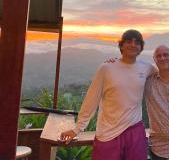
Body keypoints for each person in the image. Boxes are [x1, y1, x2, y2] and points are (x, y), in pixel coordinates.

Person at [60, 29, 155, 160]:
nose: (133, 45)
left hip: (135, 129)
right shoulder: (106, 68)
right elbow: (91, 99)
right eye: (129, 41)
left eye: (137, 42)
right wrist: (77, 129)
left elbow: (165, 72)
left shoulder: (147, 67)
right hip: (108, 132)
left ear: (141, 47)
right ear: (121, 45)